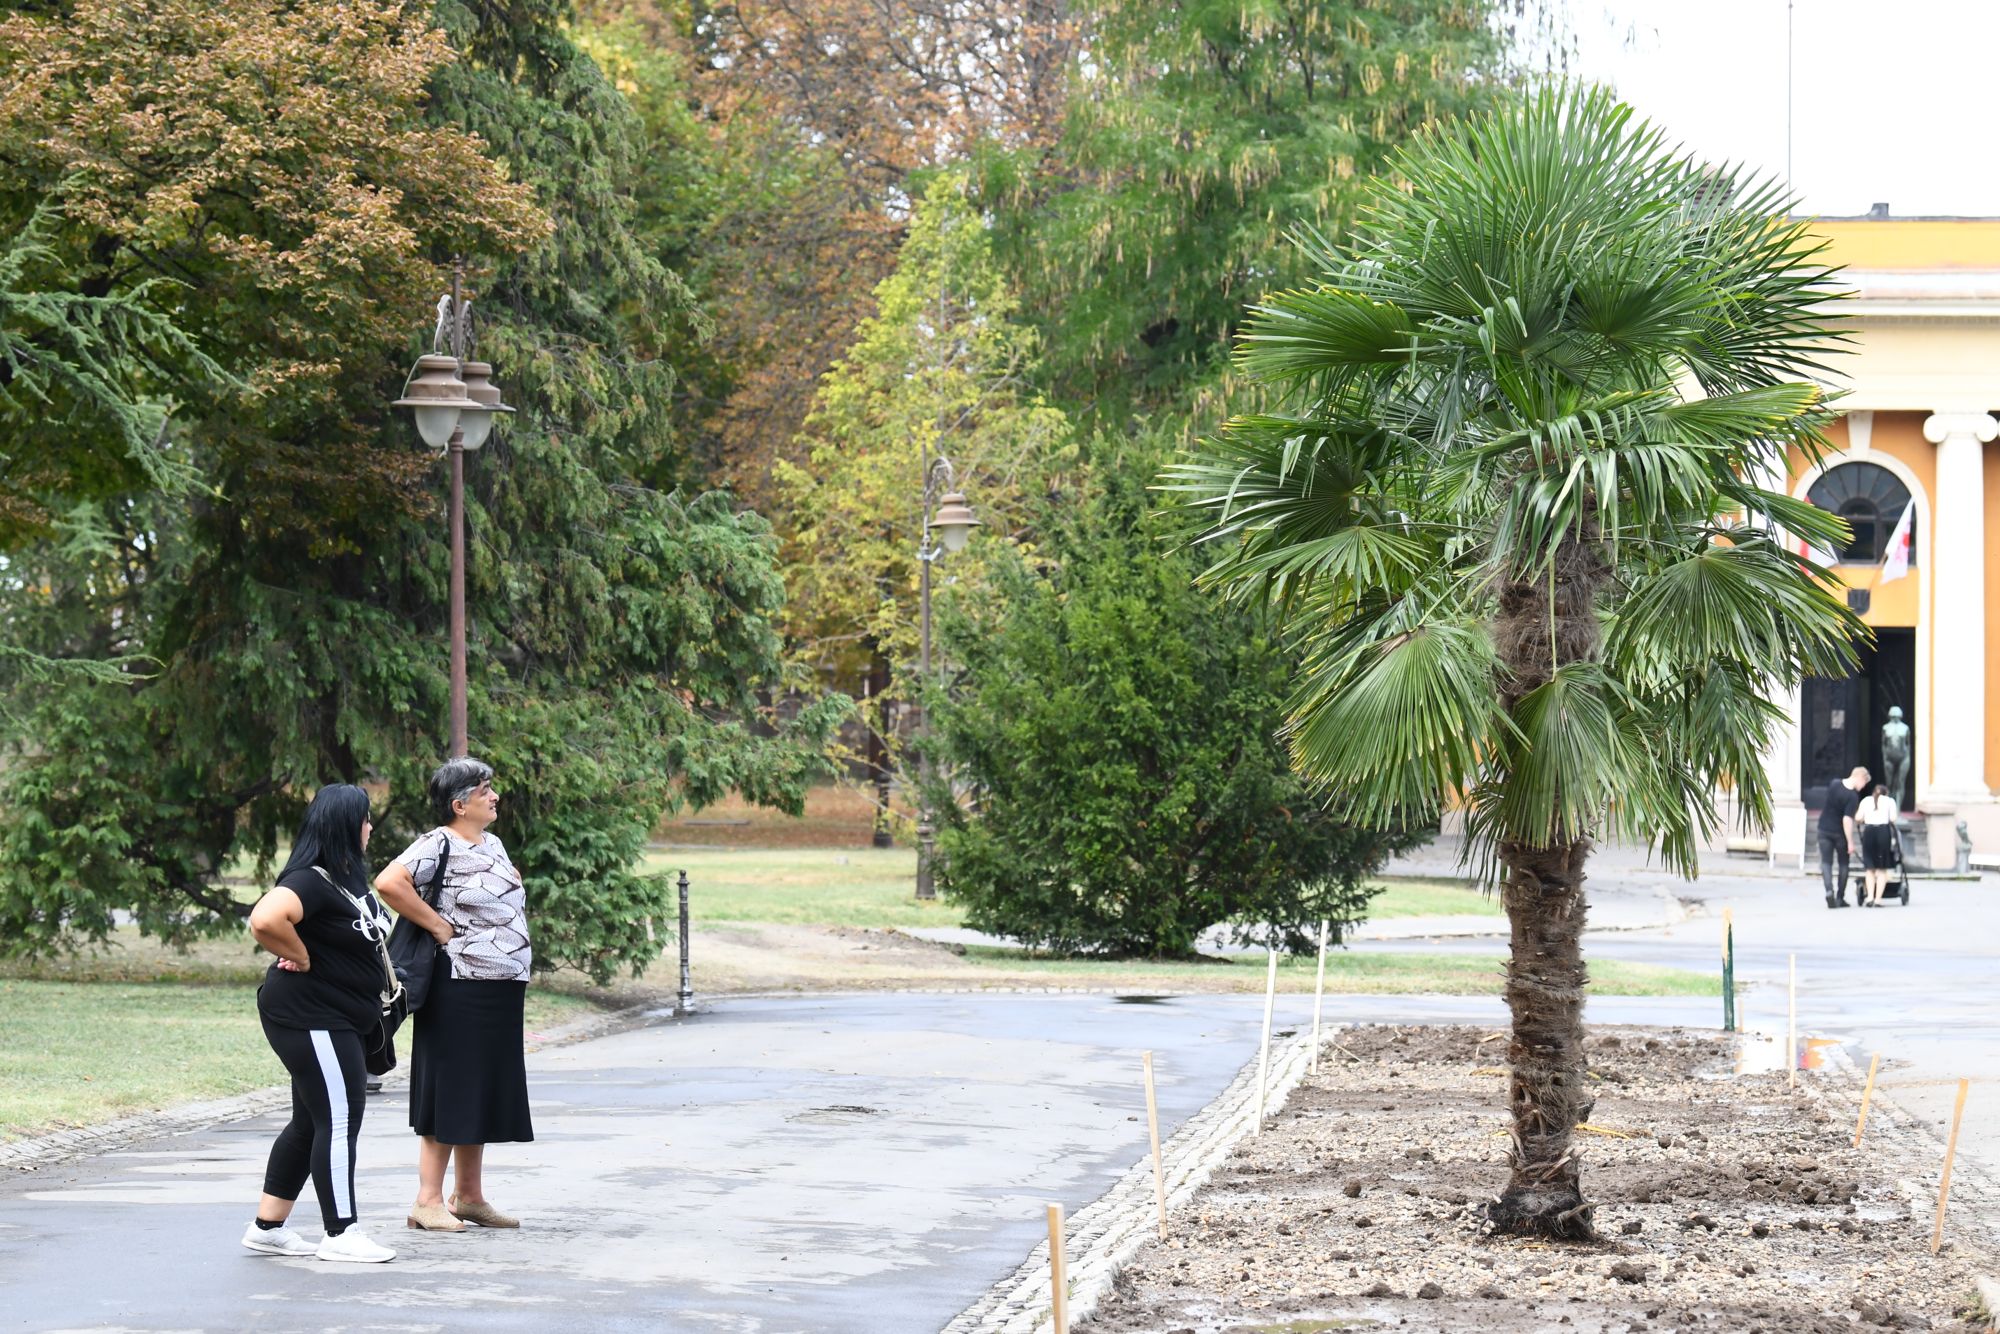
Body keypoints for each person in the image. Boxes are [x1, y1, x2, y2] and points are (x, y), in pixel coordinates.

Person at [375, 757, 534, 1232]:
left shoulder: (493, 843)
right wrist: (439, 926)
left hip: (499, 987)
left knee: (479, 1088)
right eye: (485, 790)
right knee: (450, 1089)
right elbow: (389, 883)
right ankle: (427, 1200)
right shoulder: (437, 842)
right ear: (459, 804)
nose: (495, 796)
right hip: (459, 984)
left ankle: (468, 1196)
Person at [243, 784, 398, 1263]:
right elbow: (265, 919)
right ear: (347, 826)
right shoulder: (309, 880)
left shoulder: (347, 879)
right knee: (340, 1117)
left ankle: (268, 1228)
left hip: (339, 1017)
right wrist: (302, 955)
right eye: (366, 819)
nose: (370, 828)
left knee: (311, 1121)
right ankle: (341, 1232)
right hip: (311, 1016)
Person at [1817, 765, 1868, 910]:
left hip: (1823, 828)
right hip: (1839, 834)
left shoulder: (1834, 784)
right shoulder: (1852, 796)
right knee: (1843, 864)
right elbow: (1847, 820)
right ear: (1860, 777)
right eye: (1864, 782)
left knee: (1826, 862)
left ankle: (1829, 891)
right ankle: (1840, 897)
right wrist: (1850, 842)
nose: (1863, 787)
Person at [1857, 782, 1899, 906]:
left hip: (1869, 832)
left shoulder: (1866, 800)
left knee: (1869, 867)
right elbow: (1893, 818)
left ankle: (1870, 897)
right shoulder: (1890, 801)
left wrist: (1867, 818)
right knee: (1881, 868)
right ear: (1886, 793)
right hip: (1883, 832)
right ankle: (1878, 899)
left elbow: (1858, 817)